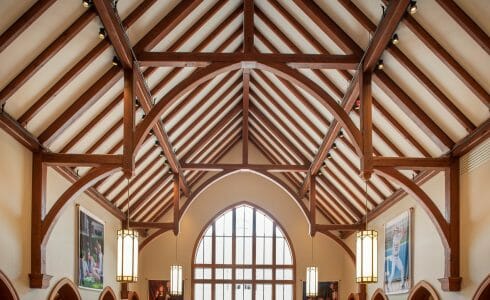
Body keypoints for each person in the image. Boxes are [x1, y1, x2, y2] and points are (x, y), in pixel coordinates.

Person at [388, 226, 405, 291]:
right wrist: (399, 230)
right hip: (393, 258)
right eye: (395, 231)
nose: (396, 232)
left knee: (402, 269)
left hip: (397, 257)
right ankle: (389, 284)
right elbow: (401, 234)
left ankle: (402, 283)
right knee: (392, 273)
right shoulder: (395, 238)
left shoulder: (398, 236)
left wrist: (399, 229)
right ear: (394, 232)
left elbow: (403, 232)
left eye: (396, 231)